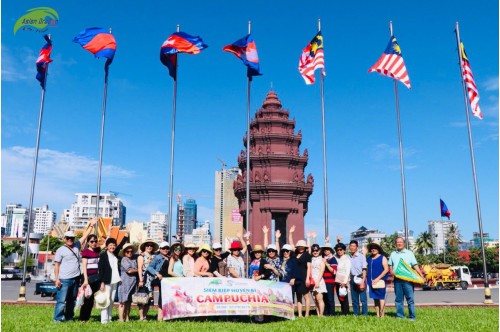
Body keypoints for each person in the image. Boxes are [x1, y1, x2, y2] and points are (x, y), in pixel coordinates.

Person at [53, 218, 96, 323]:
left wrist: (91, 225)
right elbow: (56, 266)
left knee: (72, 300)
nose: (70, 240)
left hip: (75, 278)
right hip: (64, 279)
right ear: (64, 239)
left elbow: (85, 236)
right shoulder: (60, 250)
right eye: (68, 238)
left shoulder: (77, 245)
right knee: (61, 301)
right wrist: (56, 279)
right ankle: (57, 319)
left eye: (72, 238)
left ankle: (69, 317)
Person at [388, 237, 424, 321]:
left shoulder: (409, 253)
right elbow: (390, 265)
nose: (399, 244)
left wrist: (421, 275)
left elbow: (415, 265)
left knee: (410, 299)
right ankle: (400, 316)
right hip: (397, 280)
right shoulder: (393, 254)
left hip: (408, 280)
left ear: (404, 243)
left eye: (401, 242)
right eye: (397, 242)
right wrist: (391, 271)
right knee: (398, 299)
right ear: (395, 244)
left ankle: (412, 316)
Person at [97, 238, 122, 324]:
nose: (112, 247)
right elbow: (101, 269)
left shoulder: (115, 254)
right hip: (106, 281)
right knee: (106, 300)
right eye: (110, 245)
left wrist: (126, 236)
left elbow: (121, 245)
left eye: (114, 245)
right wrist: (102, 282)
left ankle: (109, 318)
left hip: (115, 280)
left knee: (111, 300)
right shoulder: (103, 255)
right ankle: (104, 320)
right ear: (107, 246)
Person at [79, 234, 101, 322]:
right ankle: (82, 318)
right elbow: (84, 267)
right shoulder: (86, 252)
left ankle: (87, 317)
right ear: (88, 242)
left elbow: (106, 245)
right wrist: (85, 280)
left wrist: (108, 234)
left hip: (96, 278)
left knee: (91, 300)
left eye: (95, 241)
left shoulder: (97, 251)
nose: (94, 243)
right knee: (86, 299)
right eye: (92, 241)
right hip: (88, 278)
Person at [137, 238, 158, 321]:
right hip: (144, 279)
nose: (149, 247)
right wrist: (141, 280)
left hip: (152, 280)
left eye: (151, 245)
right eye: (147, 245)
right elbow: (139, 268)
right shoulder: (141, 256)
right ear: (144, 247)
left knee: (149, 299)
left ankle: (145, 316)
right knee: (142, 298)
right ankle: (141, 317)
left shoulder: (154, 256)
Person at [366, 242, 389, 317]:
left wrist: (378, 278)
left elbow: (386, 269)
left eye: (375, 248)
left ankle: (382, 315)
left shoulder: (382, 257)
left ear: (378, 249)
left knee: (381, 298)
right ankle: (377, 315)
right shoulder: (369, 258)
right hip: (371, 282)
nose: (373, 250)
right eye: (372, 248)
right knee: (375, 298)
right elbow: (364, 265)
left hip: (380, 281)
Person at [118, 243, 138, 322]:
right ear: (124, 252)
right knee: (122, 301)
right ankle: (121, 319)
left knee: (129, 302)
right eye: (127, 251)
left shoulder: (133, 259)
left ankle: (127, 317)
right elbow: (129, 270)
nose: (129, 253)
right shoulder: (124, 259)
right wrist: (139, 269)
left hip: (132, 283)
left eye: (131, 251)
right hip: (124, 283)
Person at [349, 240, 368, 316]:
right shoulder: (348, 257)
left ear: (357, 247)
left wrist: (363, 281)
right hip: (352, 278)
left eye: (354, 246)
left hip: (360, 277)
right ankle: (356, 314)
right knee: (354, 299)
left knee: (363, 299)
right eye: (351, 246)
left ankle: (365, 314)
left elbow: (364, 269)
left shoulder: (361, 256)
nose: (352, 248)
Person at [294, 239, 312, 317]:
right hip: (296, 278)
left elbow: (309, 267)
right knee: (298, 297)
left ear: (305, 247)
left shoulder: (307, 255)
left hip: (304, 277)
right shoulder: (294, 255)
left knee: (306, 296)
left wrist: (307, 278)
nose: (300, 248)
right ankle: (300, 314)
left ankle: (307, 314)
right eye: (299, 246)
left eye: (302, 246)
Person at [334, 242, 351, 315]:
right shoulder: (337, 258)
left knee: (344, 297)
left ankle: (346, 312)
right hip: (337, 280)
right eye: (337, 250)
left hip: (343, 280)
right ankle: (343, 311)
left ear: (344, 250)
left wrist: (344, 282)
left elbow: (347, 271)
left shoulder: (346, 258)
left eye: (341, 250)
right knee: (340, 297)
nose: (339, 251)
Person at [310, 244, 326, 316]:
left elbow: (322, 271)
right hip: (312, 281)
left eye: (316, 250)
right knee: (314, 299)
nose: (315, 252)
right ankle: (318, 314)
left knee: (319, 299)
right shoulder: (310, 259)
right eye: (313, 250)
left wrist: (318, 281)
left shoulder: (321, 259)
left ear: (319, 251)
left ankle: (321, 314)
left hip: (319, 280)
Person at [322, 241, 337, 316]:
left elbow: (334, 271)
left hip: (330, 281)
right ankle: (326, 313)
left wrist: (326, 264)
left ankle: (332, 313)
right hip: (323, 281)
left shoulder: (333, 259)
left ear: (331, 250)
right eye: (324, 250)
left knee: (330, 298)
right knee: (324, 298)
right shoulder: (323, 258)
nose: (326, 251)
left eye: (327, 249)